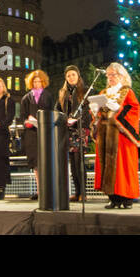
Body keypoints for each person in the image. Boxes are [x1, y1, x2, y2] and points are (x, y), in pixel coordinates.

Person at [93, 62, 140, 209]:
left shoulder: (127, 91)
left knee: (123, 166)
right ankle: (113, 197)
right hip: (105, 134)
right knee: (106, 165)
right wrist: (95, 111)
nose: (110, 77)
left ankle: (127, 198)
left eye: (113, 74)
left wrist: (118, 111)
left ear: (121, 75)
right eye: (108, 75)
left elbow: (134, 109)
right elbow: (99, 115)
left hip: (121, 135)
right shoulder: (103, 92)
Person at [56, 65, 91, 202]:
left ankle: (83, 192)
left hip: (80, 129)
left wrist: (76, 120)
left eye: (73, 75)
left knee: (79, 161)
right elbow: (57, 109)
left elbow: (89, 111)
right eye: (68, 75)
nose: (71, 77)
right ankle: (76, 192)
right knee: (72, 162)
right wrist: (63, 119)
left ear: (78, 76)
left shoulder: (86, 90)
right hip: (68, 130)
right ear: (66, 78)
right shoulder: (63, 92)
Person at [17, 69, 52, 200]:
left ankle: (48, 189)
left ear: (43, 82)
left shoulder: (48, 96)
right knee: (36, 163)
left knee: (46, 161)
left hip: (45, 133)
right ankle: (39, 190)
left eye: (39, 81)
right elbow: (22, 116)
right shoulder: (26, 98)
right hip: (31, 134)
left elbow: (51, 113)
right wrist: (27, 122)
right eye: (35, 81)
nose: (37, 84)